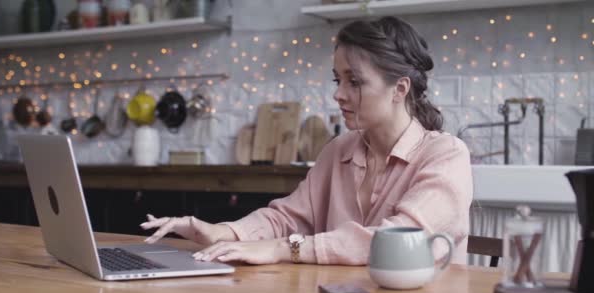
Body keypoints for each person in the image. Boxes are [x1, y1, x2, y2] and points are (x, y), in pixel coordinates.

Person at [141, 16, 473, 266]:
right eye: (337, 79)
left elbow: (397, 243)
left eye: (354, 81)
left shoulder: (447, 156)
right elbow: (286, 218)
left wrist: (284, 247)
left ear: (399, 89)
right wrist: (223, 231)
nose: (338, 94)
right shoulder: (338, 151)